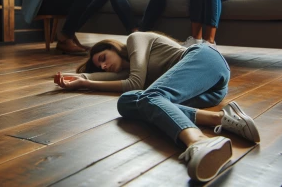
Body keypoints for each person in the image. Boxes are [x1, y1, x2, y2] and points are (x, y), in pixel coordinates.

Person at [54, 31, 260, 182]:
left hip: (205, 60)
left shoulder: (135, 39)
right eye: (100, 67)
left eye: (103, 58)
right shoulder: (130, 71)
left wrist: (87, 83)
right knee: (127, 102)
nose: (104, 66)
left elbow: (134, 82)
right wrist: (81, 78)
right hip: (208, 91)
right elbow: (121, 82)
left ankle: (197, 141)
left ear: (113, 46)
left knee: (150, 96)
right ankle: (221, 119)